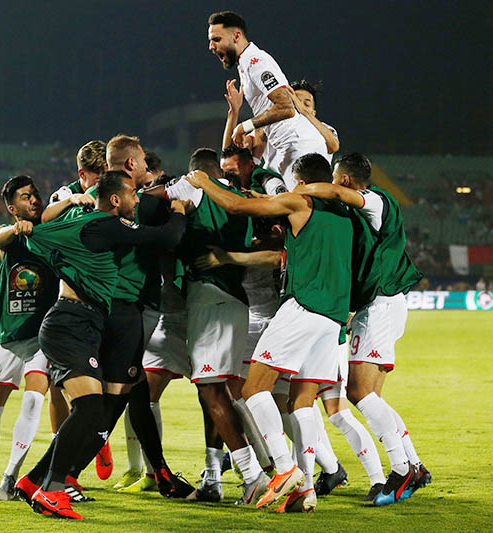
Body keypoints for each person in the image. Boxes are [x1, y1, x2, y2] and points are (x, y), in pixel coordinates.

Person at [13, 171, 191, 520]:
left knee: (93, 410)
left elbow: (33, 234)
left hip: (78, 323)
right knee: (93, 410)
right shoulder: (104, 224)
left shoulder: (74, 224)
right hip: (71, 324)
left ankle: (34, 482)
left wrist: (26, 226)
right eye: (132, 196)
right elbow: (167, 236)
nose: (137, 201)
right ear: (114, 200)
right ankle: (52, 489)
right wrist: (181, 209)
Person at [186, 153, 354, 513]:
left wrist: (203, 182)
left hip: (304, 306)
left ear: (302, 181)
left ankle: (283, 467)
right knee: (301, 404)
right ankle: (305, 488)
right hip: (333, 319)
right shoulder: (344, 216)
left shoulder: (301, 200)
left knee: (253, 388)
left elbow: (238, 205)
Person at [300, 153, 429, 506]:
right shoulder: (364, 212)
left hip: (382, 304)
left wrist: (301, 187)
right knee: (371, 395)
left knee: (358, 392)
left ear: (343, 180)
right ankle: (414, 464)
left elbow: (345, 196)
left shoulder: (374, 201)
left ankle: (401, 472)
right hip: (380, 304)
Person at [164, 148, 269, 506]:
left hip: (212, 297)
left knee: (212, 391)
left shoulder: (195, 188)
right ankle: (225, 475)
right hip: (232, 299)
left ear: (196, 173)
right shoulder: (240, 197)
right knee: (217, 390)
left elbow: (155, 199)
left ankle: (254, 475)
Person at [0, 175, 62, 500]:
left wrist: (70, 204)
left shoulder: (51, 236)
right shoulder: (8, 238)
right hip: (8, 337)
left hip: (42, 337)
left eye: (35, 194)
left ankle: (11, 476)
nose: (33, 200)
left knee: (34, 400)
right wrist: (16, 229)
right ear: (11, 206)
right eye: (25, 196)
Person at [207, 11, 328, 191]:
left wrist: (244, 126)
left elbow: (286, 107)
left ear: (236, 36)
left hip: (296, 145)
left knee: (303, 209)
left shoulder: (255, 61)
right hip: (286, 147)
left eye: (216, 39)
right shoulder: (245, 63)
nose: (211, 46)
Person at [289, 79, 340, 159]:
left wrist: (305, 113)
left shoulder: (326, 129)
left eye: (307, 104)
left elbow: (333, 146)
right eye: (296, 103)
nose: (300, 107)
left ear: (313, 113)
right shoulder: (276, 126)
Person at [47, 140, 107, 205]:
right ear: (82, 174)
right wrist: (70, 200)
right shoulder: (66, 195)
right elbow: (49, 211)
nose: (106, 182)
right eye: (99, 179)